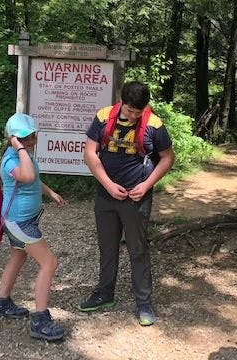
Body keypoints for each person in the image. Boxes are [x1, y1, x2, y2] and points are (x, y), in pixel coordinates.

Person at [78, 81, 175, 326]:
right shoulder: (103, 117)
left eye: (138, 112)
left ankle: (144, 302)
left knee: (138, 249)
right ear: (122, 102)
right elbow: (90, 153)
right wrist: (108, 185)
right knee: (107, 247)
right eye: (130, 110)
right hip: (105, 195)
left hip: (137, 198)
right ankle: (104, 293)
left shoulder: (154, 124)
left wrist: (146, 185)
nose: (133, 116)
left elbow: (167, 158)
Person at [0, 112, 66, 341]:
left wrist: (50, 192)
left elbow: (34, 177)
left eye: (32, 137)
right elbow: (26, 175)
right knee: (49, 262)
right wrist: (19, 148)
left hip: (23, 220)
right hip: (19, 222)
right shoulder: (11, 159)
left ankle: (2, 303)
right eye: (24, 139)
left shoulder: (23, 155)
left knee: (18, 257)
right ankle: (40, 321)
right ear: (13, 139)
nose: (31, 142)